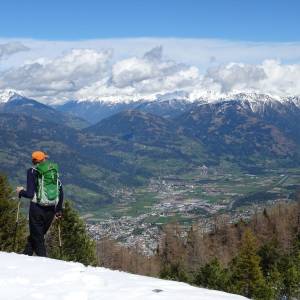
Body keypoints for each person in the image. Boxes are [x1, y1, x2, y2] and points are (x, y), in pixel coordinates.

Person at [16, 151, 63, 257]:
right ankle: (25, 256)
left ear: (33, 161)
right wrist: (58, 210)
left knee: (38, 238)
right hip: (50, 210)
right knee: (37, 235)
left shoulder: (32, 171)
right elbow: (60, 190)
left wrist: (20, 191)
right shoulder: (52, 171)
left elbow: (30, 194)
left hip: (37, 208)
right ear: (44, 159)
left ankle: (44, 262)